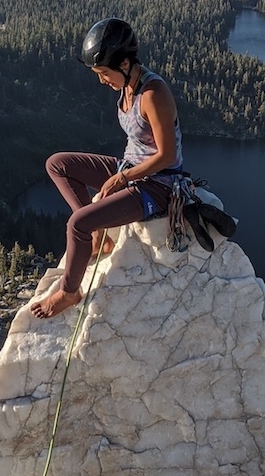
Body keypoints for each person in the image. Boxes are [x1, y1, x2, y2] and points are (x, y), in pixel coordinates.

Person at [30, 18, 183, 319]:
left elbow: (167, 156)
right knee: (58, 165)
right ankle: (99, 234)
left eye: (103, 72)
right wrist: (122, 173)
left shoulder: (153, 94)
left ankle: (69, 291)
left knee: (78, 224)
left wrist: (122, 178)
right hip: (130, 168)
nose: (101, 80)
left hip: (159, 184)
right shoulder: (128, 87)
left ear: (125, 63)